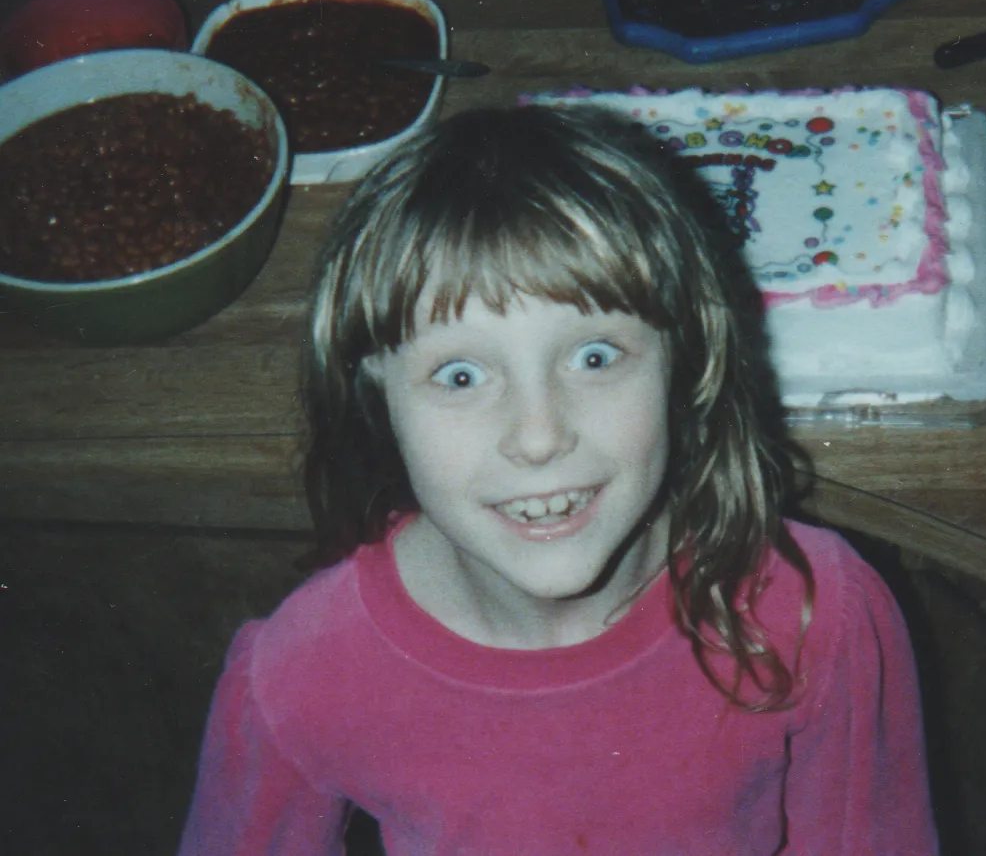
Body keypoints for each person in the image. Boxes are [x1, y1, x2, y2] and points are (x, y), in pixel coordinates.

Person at [179, 105, 939, 855]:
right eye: (461, 373)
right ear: (372, 392)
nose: (539, 436)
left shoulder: (815, 612)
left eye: (595, 357)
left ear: (688, 357)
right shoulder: (300, 674)